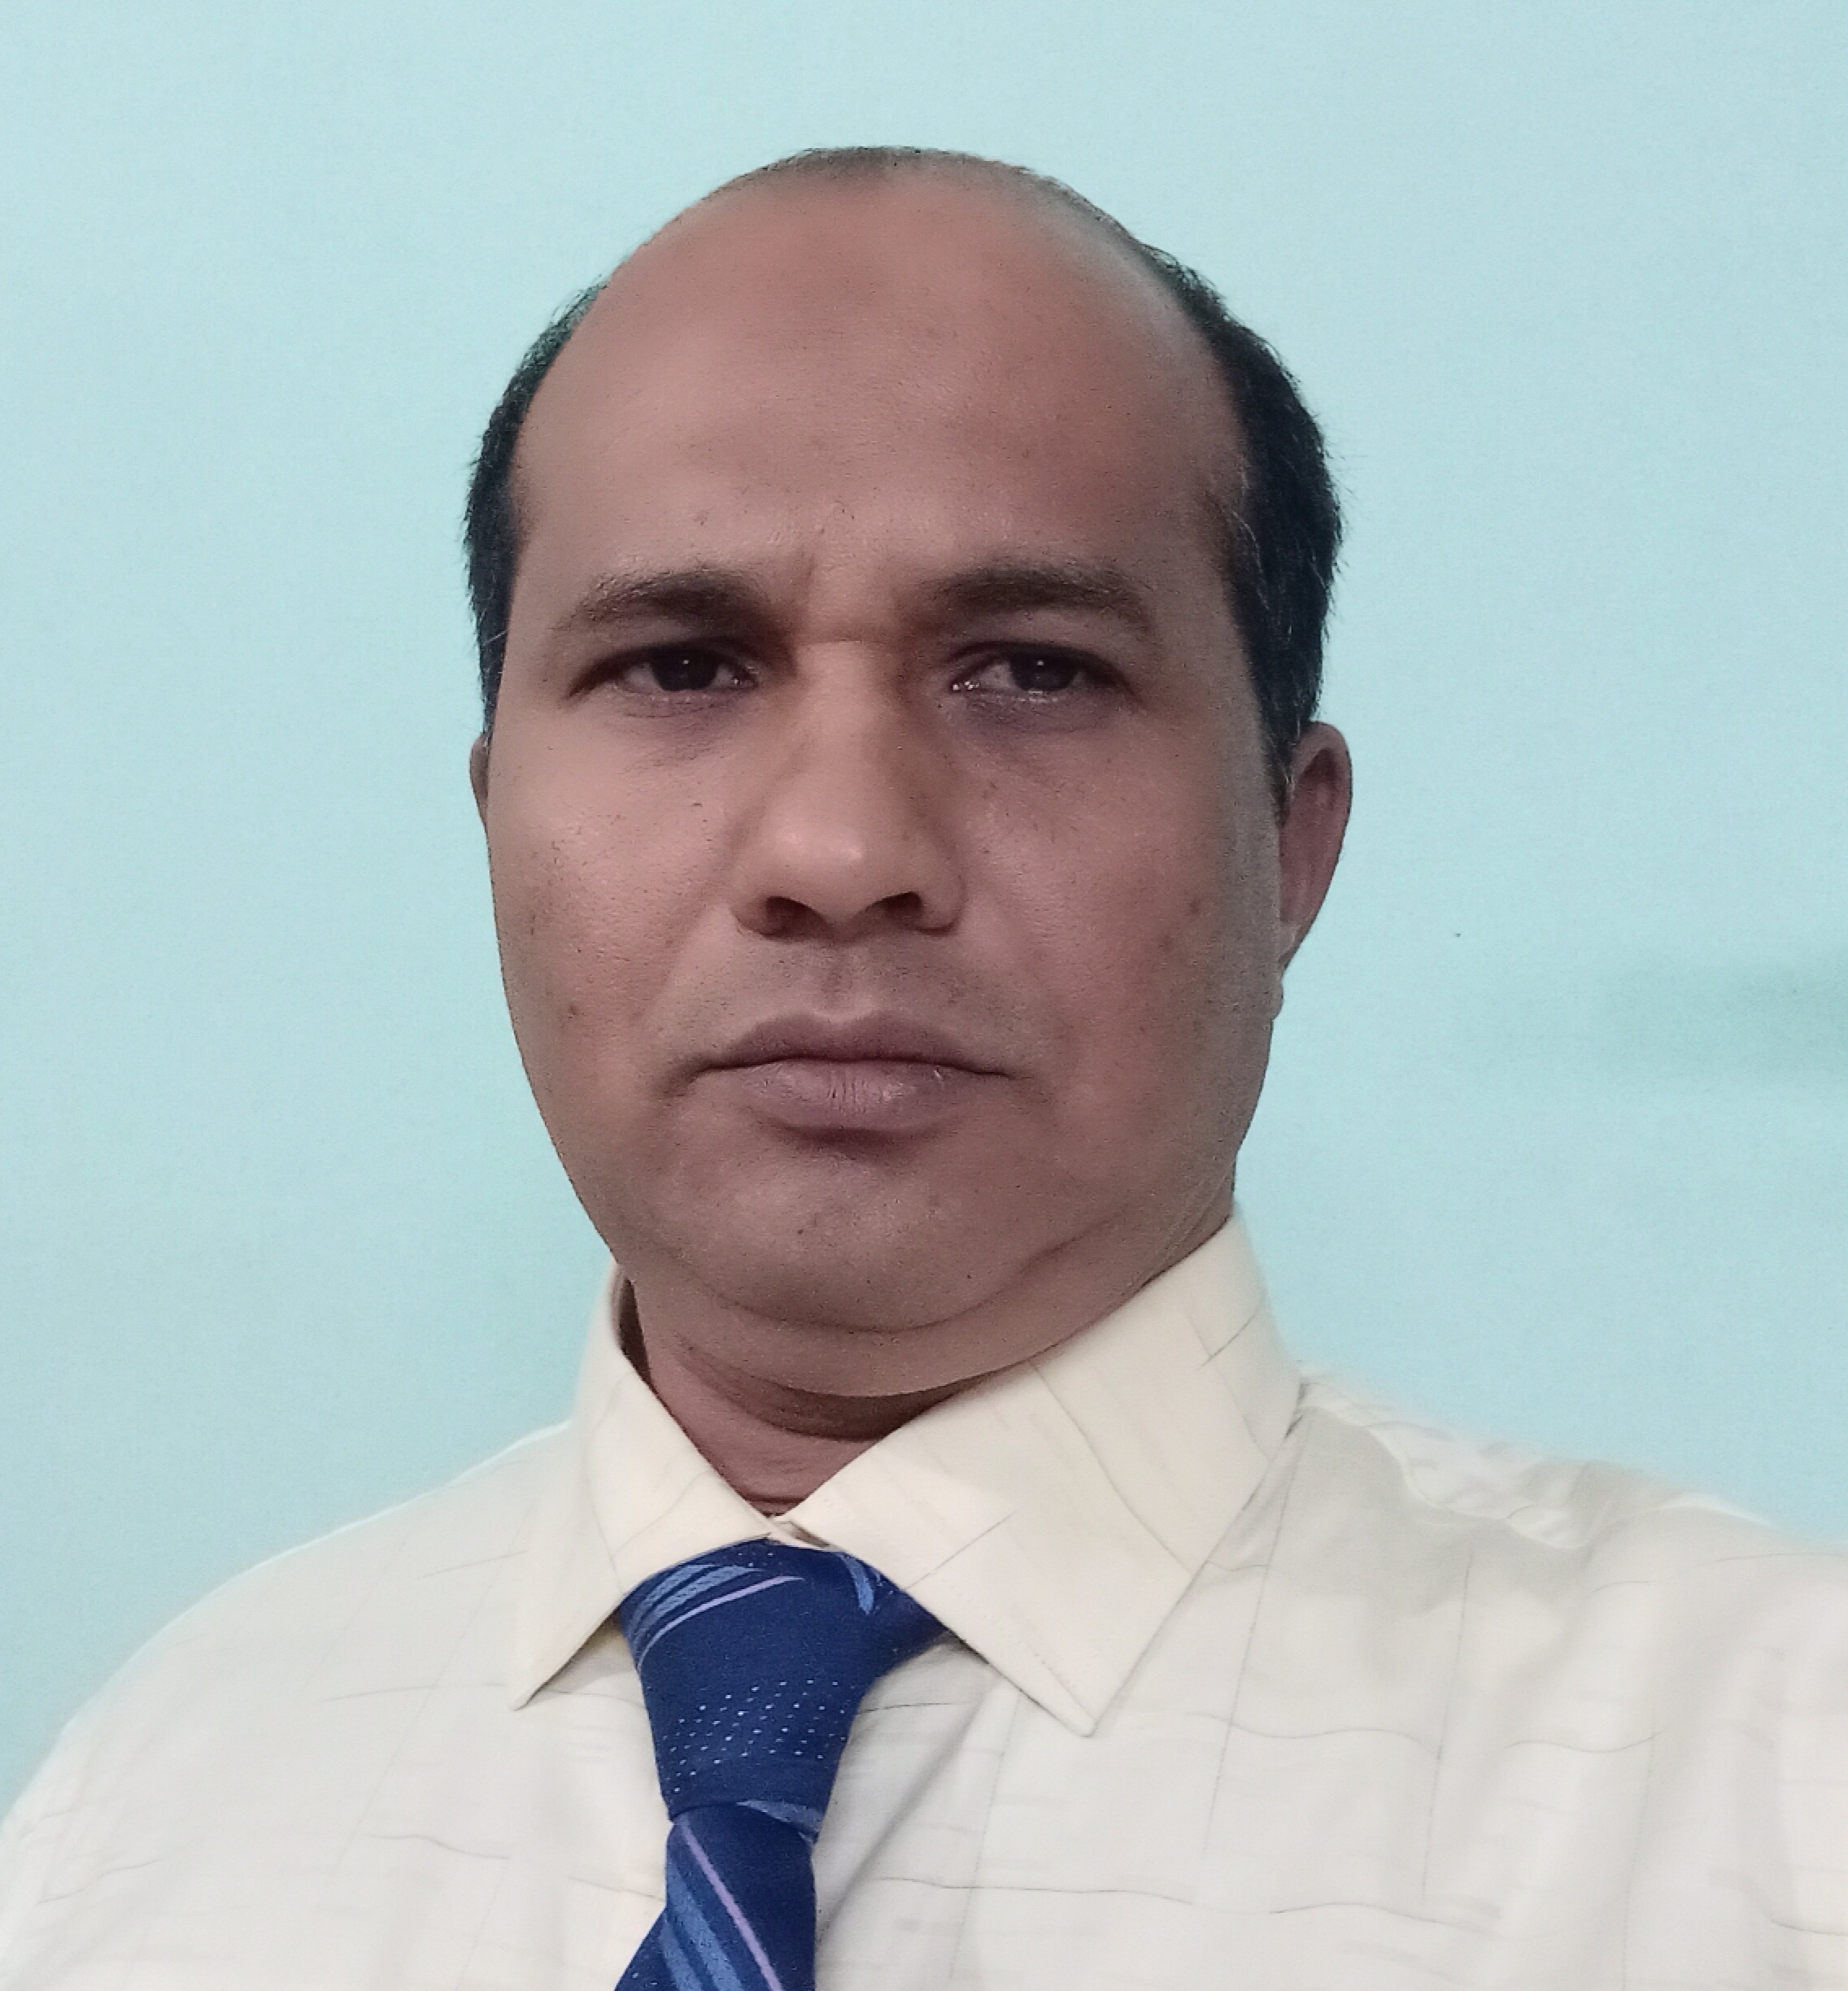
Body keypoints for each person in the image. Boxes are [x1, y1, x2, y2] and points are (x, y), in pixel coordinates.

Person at [1, 146, 1842, 1991]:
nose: (839, 848)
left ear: (1290, 842)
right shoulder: (151, 1825)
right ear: (495, 825)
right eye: (680, 668)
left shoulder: (1763, 1793)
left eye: (1030, 671)